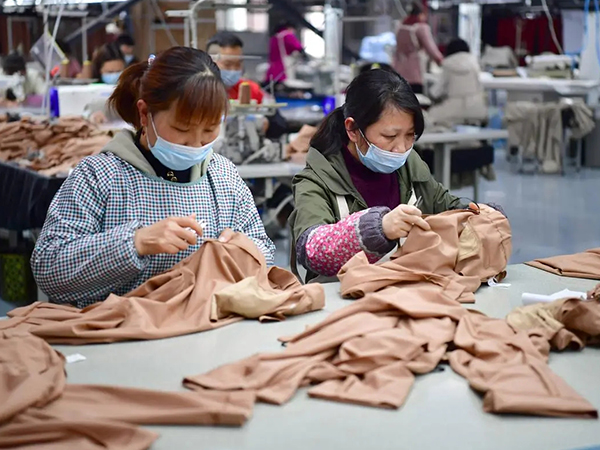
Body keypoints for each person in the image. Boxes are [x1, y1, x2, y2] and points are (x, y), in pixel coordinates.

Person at [31, 47, 275, 308]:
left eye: (209, 129)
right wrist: (135, 243)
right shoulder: (99, 176)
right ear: (145, 114)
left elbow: (266, 251)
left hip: (204, 321)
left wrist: (243, 250)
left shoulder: (223, 176)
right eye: (182, 129)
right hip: (117, 326)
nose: (195, 143)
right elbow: (49, 267)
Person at [289, 69, 463, 283]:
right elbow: (311, 250)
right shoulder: (317, 180)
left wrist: (479, 214)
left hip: (406, 291)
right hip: (344, 296)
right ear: (353, 129)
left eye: (410, 135)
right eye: (390, 136)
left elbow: (448, 207)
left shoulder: (410, 166)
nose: (401, 148)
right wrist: (377, 229)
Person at [206, 31, 288, 139]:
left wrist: (264, 123)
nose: (234, 69)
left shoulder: (250, 88)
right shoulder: (199, 93)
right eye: (228, 64)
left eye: (238, 64)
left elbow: (280, 123)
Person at [428, 38, 488, 125]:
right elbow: (480, 87)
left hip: (454, 109)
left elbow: (436, 92)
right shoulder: (474, 63)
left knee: (430, 114)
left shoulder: (447, 64)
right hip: (477, 109)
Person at [393, 2, 443, 94]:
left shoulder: (399, 26)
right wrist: (441, 62)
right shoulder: (421, 28)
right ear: (421, 14)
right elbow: (431, 49)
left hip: (398, 73)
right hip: (414, 74)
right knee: (416, 99)